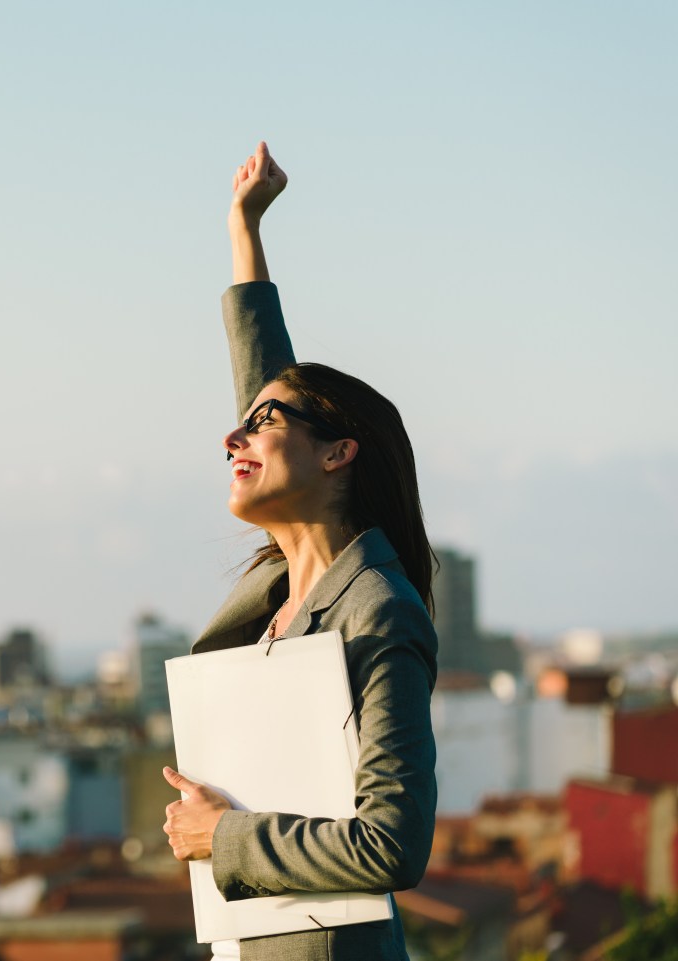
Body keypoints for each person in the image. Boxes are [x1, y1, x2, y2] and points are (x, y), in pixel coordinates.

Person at [159, 142, 438, 961]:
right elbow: (271, 379)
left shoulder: (379, 609)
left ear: (338, 453)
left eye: (262, 424)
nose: (233, 435)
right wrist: (244, 229)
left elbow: (393, 844)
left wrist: (225, 835)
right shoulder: (288, 589)